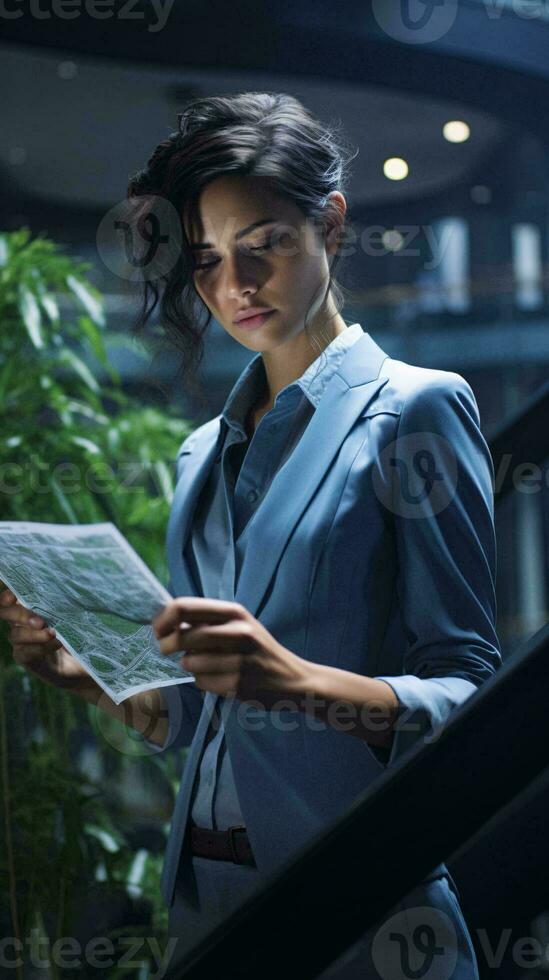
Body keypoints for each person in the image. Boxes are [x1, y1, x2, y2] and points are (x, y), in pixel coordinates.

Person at [1, 92, 502, 979]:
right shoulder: (202, 454)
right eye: (205, 262)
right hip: (203, 905)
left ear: (330, 225)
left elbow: (471, 696)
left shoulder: (415, 410)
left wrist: (301, 683)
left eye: (263, 244)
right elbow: (191, 713)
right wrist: (77, 674)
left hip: (362, 908)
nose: (234, 286)